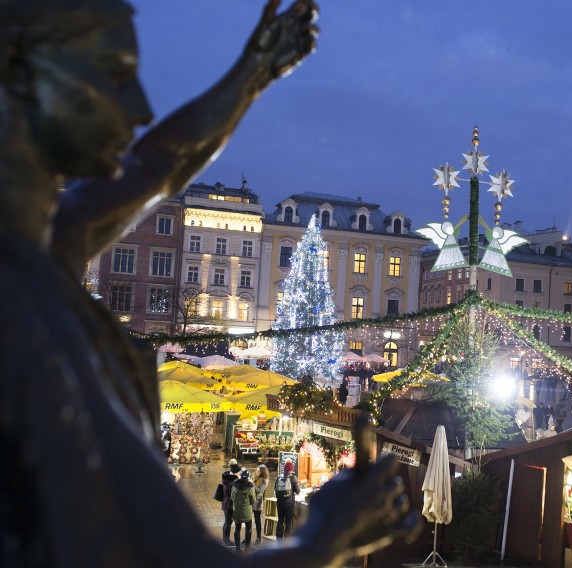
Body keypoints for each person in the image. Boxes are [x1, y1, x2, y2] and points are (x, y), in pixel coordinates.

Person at [0, 0, 420, 565]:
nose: (141, 107)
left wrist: (254, 73)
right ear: (23, 74)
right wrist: (331, 533)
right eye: (114, 72)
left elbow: (159, 164)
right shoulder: (23, 311)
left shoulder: (44, 247)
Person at [231, 469, 257, 553]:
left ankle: (238, 549)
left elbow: (232, 497)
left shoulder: (235, 486)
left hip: (236, 512)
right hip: (246, 512)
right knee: (248, 529)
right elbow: (253, 500)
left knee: (237, 529)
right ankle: (247, 548)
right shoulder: (250, 487)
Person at [275, 458, 301, 538]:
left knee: (280, 520)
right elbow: (298, 491)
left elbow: (275, 490)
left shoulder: (279, 477)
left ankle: (278, 539)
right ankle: (286, 541)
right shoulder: (293, 478)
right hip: (289, 503)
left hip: (280, 502)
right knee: (288, 521)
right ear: (291, 469)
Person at [221, 459, 242, 547]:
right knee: (228, 522)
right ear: (235, 473)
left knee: (226, 522)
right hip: (230, 504)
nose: (240, 473)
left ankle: (225, 539)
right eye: (239, 472)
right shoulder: (233, 482)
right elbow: (235, 493)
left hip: (226, 502)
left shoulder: (226, 478)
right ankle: (226, 541)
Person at [252, 464, 270, 545]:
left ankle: (258, 537)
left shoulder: (264, 480)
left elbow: (259, 491)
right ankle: (247, 536)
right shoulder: (255, 477)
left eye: (258, 470)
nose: (257, 471)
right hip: (251, 500)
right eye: (256, 470)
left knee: (257, 520)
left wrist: (252, 484)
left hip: (258, 501)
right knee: (248, 519)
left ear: (262, 471)